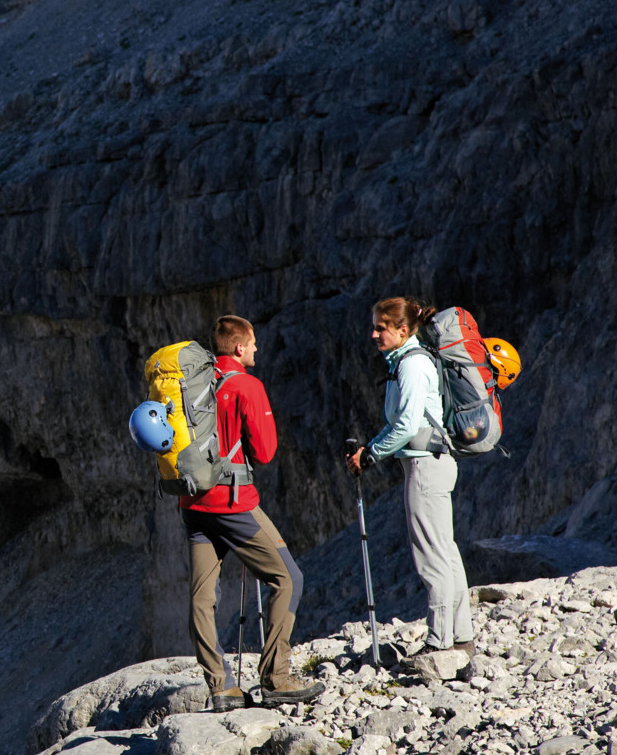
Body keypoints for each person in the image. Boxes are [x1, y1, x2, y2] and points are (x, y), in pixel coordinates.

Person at [182, 315, 324, 710]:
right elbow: (264, 452)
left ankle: (221, 687)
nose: (258, 349)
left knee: (201, 597)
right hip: (232, 503)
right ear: (239, 348)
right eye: (254, 344)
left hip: (193, 504)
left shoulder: (193, 384)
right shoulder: (247, 385)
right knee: (288, 578)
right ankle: (277, 677)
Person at [346, 297, 475, 657]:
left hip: (424, 467)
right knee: (445, 551)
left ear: (403, 330)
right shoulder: (408, 361)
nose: (373, 334)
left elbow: (404, 425)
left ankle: (439, 641)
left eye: (380, 328)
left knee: (431, 555)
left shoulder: (412, 365)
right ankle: (461, 636)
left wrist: (369, 453)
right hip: (432, 463)